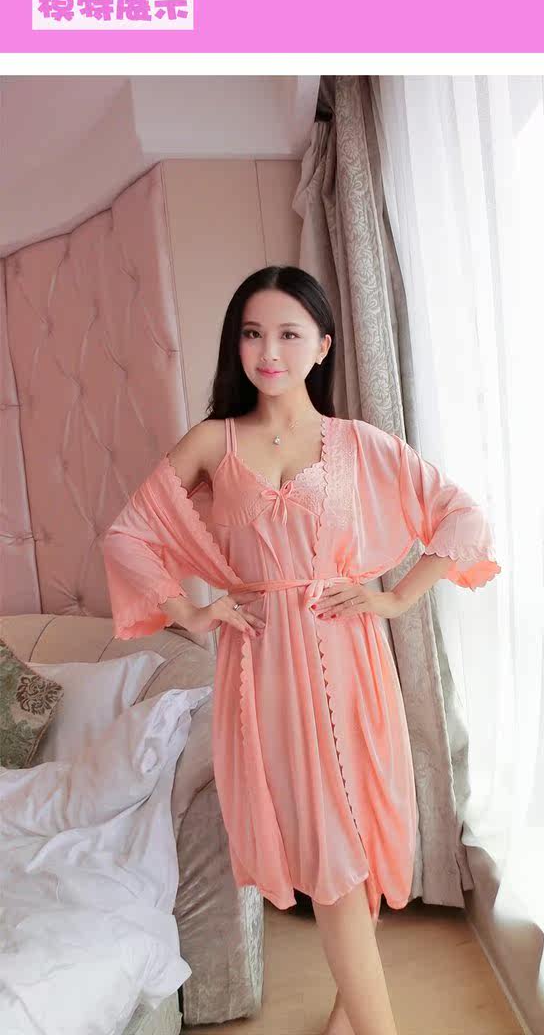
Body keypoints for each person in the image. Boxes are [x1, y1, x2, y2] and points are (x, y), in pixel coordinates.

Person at [102, 265, 501, 1035]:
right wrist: (193, 611)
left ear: (322, 345)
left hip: (352, 665)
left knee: (358, 838)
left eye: (288, 334)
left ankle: (353, 1017)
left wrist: (394, 597)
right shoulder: (214, 442)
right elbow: (129, 534)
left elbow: (462, 517)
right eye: (252, 333)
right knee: (329, 853)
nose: (268, 351)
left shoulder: (358, 445)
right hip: (264, 672)